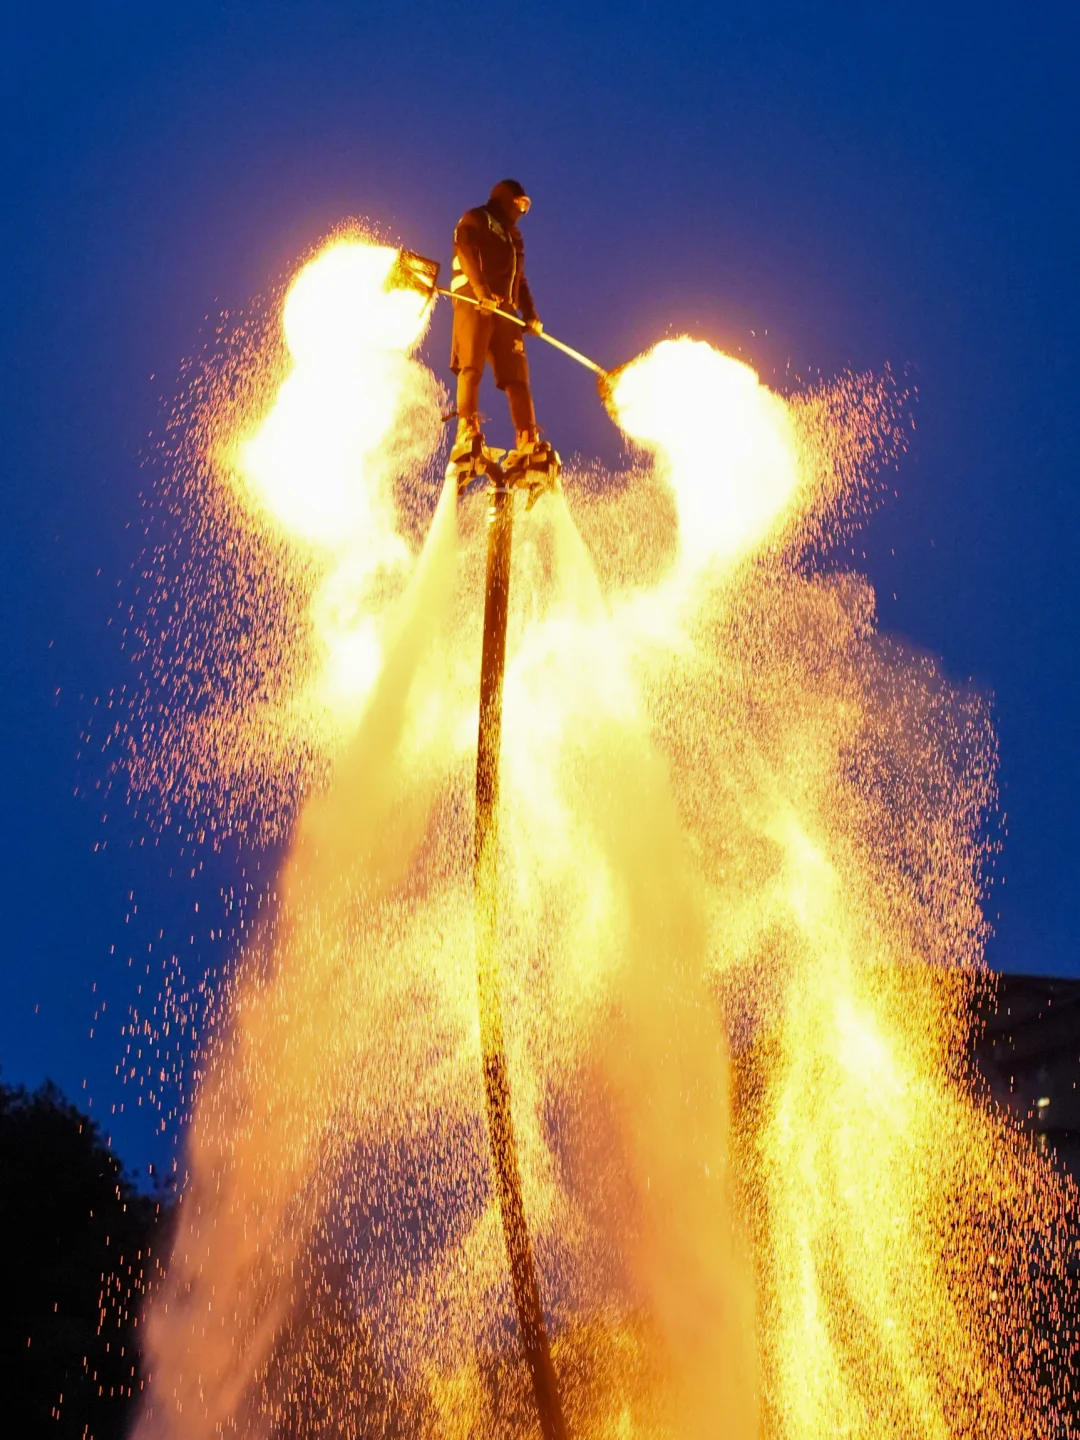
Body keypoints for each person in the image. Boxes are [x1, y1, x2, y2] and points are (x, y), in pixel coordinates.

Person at [449, 179, 551, 466]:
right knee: (472, 364)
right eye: (520, 204)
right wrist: (481, 292)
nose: (522, 210)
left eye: (526, 206)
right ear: (507, 199)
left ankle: (527, 438)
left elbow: (520, 281)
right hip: (474, 300)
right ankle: (467, 427)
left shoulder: (513, 237)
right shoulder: (476, 218)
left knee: (517, 375)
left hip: (505, 309)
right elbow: (465, 251)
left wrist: (530, 315)